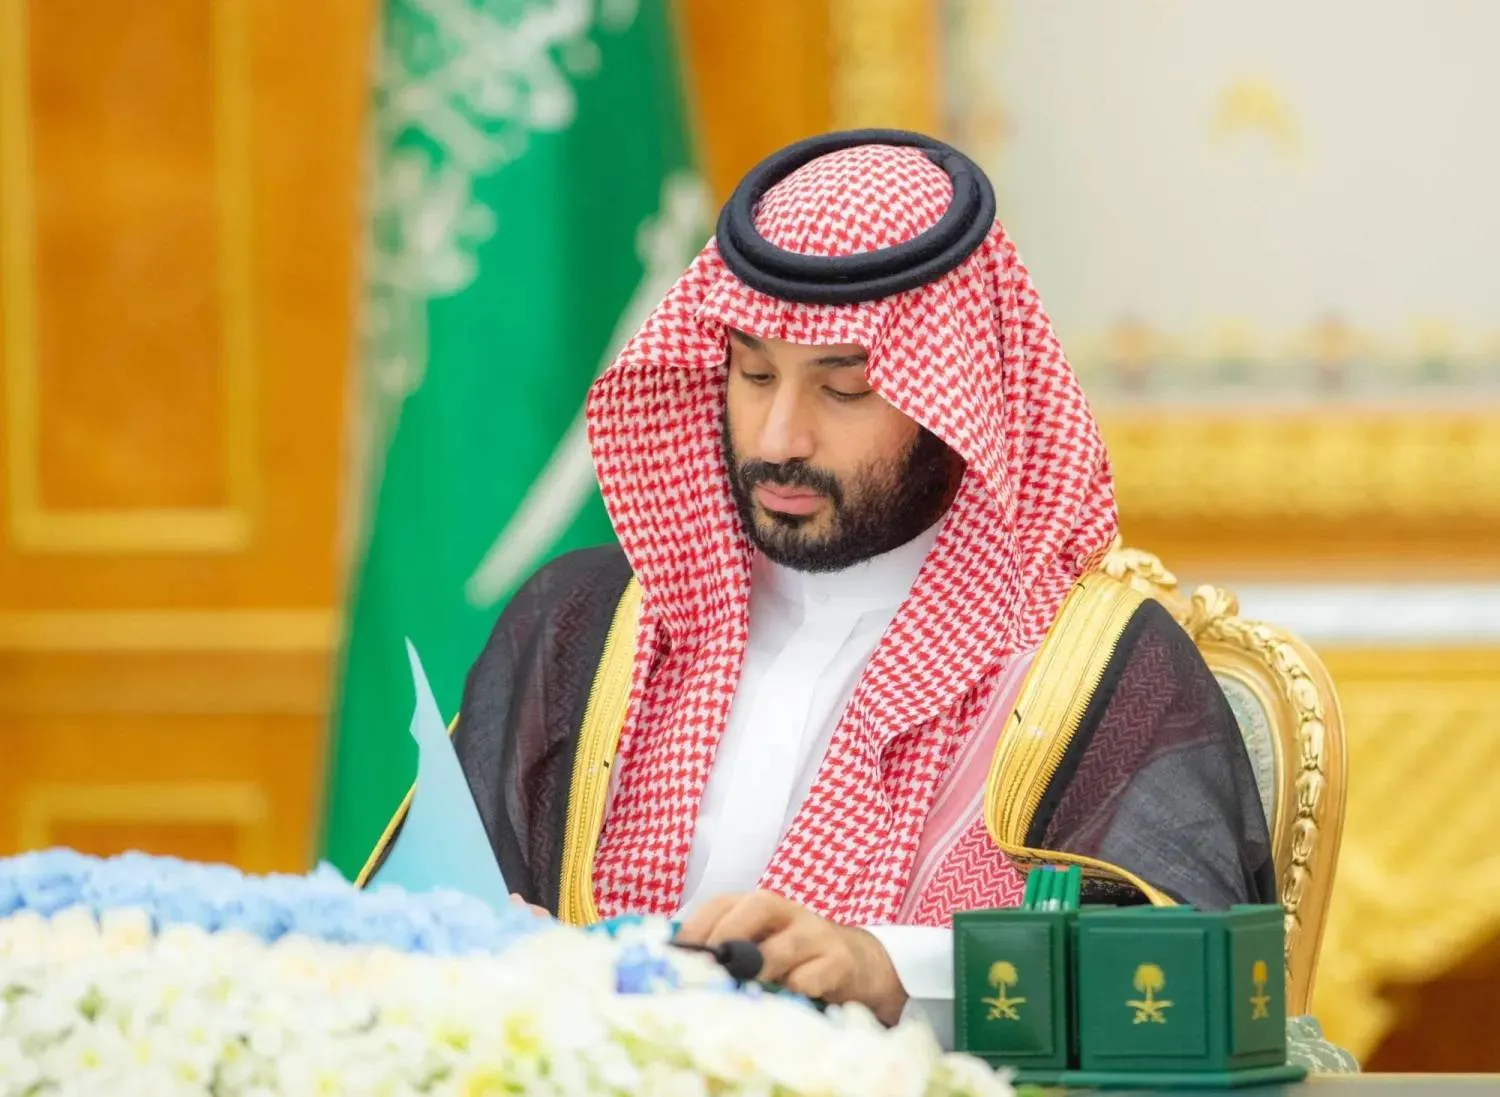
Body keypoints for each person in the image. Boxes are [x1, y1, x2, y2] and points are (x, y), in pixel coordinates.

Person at [359, 130, 1274, 1046]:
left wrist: (891, 972)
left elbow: (1190, 990)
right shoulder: (581, 633)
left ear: (950, 395)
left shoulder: (1096, 671)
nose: (778, 436)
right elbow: (407, 932)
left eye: (843, 388)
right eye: (755, 375)